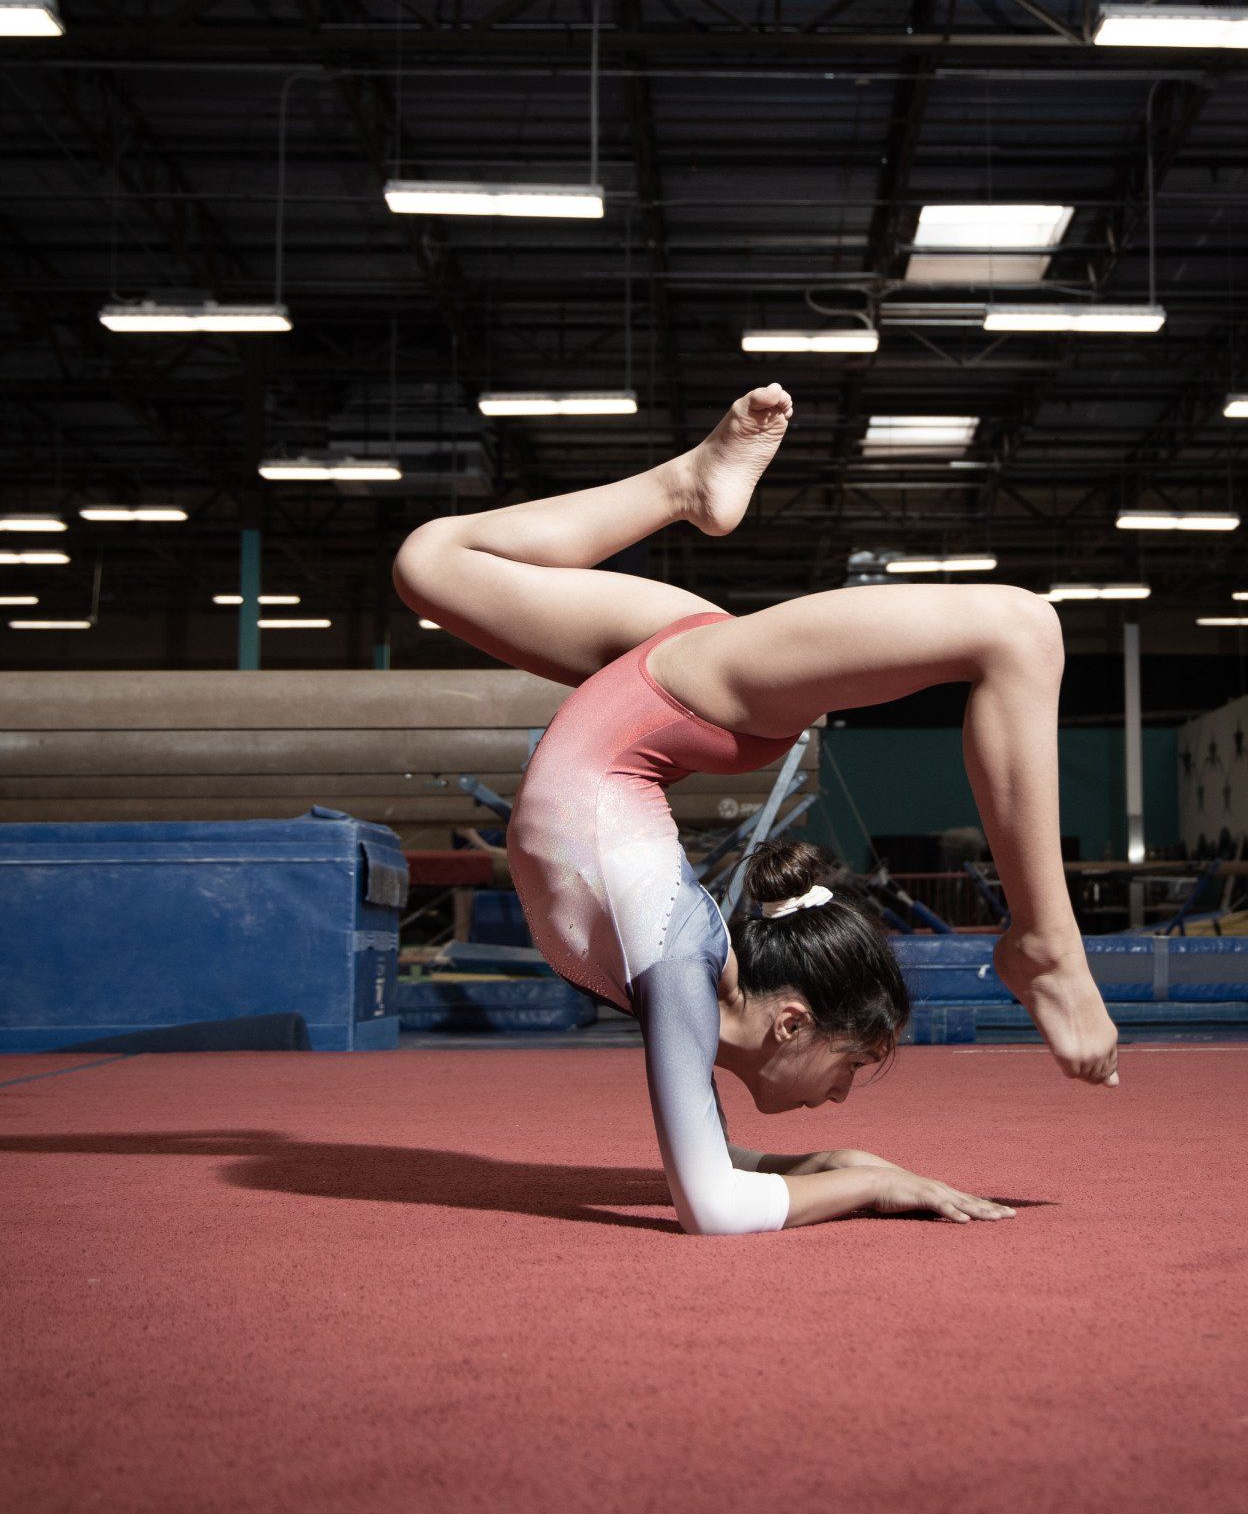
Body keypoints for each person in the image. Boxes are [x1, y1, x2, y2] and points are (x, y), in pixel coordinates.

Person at [393, 384, 1118, 1235]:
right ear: (791, 1021)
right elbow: (713, 1207)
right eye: (850, 1066)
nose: (845, 1096)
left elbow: (712, 1176)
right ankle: (1044, 941)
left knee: (428, 561)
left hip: (657, 691)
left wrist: (842, 1165)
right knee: (1021, 629)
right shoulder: (680, 970)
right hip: (688, 695)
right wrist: (874, 1184)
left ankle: (685, 489)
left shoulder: (681, 984)